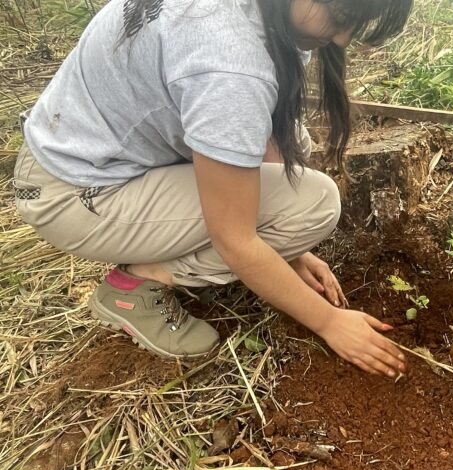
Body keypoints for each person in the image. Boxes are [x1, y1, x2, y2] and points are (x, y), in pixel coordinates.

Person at [12, 0, 412, 377]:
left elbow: (263, 128)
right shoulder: (230, 60)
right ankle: (139, 283)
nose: (342, 38)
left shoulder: (269, 16)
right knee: (314, 205)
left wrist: (290, 248)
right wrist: (330, 323)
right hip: (75, 190)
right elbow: (234, 239)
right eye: (341, 15)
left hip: (86, 146)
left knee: (294, 146)